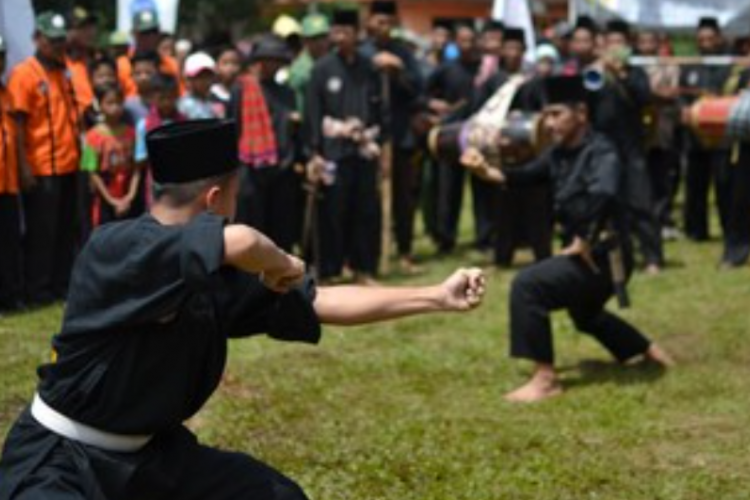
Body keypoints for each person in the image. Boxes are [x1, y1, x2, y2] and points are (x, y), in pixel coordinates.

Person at [0, 118, 487, 500]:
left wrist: (434, 296)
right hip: (60, 463)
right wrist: (285, 261)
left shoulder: (212, 273)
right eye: (236, 190)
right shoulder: (118, 249)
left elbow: (320, 301)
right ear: (216, 198)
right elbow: (244, 240)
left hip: (151, 461)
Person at [464, 76, 672, 402]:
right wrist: (486, 171)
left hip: (605, 254)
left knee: (528, 286)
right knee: (585, 314)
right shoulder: (559, 153)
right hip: (586, 250)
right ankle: (647, 350)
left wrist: (584, 237)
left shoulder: (602, 150)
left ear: (581, 114)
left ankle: (545, 380)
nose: (549, 122)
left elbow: (603, 193)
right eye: (546, 114)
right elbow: (527, 175)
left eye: (557, 113)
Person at [8, 11, 83, 306]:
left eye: (61, 40)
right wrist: (23, 168)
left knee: (65, 229)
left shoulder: (63, 72)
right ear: (37, 39)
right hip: (40, 167)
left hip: (68, 164)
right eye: (51, 40)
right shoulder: (24, 74)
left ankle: (59, 285)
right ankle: (37, 289)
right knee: (41, 234)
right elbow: (17, 125)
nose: (57, 45)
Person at [306, 8, 383, 283]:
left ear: (356, 34)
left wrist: (372, 137)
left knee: (365, 209)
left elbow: (378, 109)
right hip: (332, 153)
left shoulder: (369, 67)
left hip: (363, 150)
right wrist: (314, 151)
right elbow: (313, 114)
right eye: (335, 32)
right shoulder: (322, 69)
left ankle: (364, 268)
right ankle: (329, 270)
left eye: (345, 32)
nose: (339, 37)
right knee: (332, 212)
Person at [588, 20, 664, 274]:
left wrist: (622, 75)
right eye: (610, 43)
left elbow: (644, 99)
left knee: (641, 201)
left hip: (632, 146)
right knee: (606, 202)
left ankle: (652, 257)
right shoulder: (594, 73)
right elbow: (585, 102)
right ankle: (610, 256)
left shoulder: (636, 72)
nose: (615, 48)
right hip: (603, 146)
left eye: (620, 43)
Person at [360, 0, 424, 273]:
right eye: (379, 21)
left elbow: (418, 91)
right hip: (369, 137)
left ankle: (405, 250)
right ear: (370, 22)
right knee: (369, 198)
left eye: (389, 21)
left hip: (401, 136)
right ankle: (370, 254)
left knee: (404, 197)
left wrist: (397, 71)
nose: (383, 27)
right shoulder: (361, 53)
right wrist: (374, 67)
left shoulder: (404, 54)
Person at [233, 35, 301, 252]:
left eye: (276, 59)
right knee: (252, 228)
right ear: (258, 60)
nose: (271, 64)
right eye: (267, 59)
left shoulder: (287, 93)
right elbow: (233, 129)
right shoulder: (242, 90)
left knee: (281, 230)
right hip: (250, 170)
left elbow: (291, 132)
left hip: (282, 169)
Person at [425, 23, 483, 254]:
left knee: (481, 189)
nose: (468, 45)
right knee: (448, 190)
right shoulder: (445, 69)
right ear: (456, 43)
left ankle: (484, 239)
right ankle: (445, 239)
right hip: (450, 138)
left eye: (471, 40)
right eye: (463, 40)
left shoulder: (483, 70)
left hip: (479, 137)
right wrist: (434, 106)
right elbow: (424, 94)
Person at [679, 17, 731, 242]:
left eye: (710, 38)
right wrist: (683, 110)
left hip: (723, 137)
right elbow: (681, 95)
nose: (706, 43)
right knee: (695, 185)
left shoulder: (730, 65)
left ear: (718, 38)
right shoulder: (690, 66)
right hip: (695, 137)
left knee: (725, 186)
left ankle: (730, 228)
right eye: (701, 39)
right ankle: (695, 230)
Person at [81, 84, 140, 228]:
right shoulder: (92, 136)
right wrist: (112, 200)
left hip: (128, 194)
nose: (115, 107)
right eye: (110, 103)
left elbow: (137, 167)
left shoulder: (131, 133)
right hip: (104, 198)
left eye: (119, 102)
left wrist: (130, 196)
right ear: (99, 105)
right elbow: (91, 171)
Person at [0, 36, 23, 313]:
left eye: (2, 56)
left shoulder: (7, 92)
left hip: (9, 182)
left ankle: (10, 297)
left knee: (9, 243)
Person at [117, 9, 183, 98]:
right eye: (144, 32)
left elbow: (179, 94)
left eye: (153, 31)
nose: (150, 37)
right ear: (133, 34)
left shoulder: (171, 64)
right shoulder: (121, 65)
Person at [288, 13, 331, 114]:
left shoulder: (333, 60)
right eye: (314, 38)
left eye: (323, 37)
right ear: (304, 41)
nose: (320, 43)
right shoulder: (299, 70)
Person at [179, 51, 222, 120]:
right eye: (200, 77)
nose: (206, 81)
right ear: (189, 79)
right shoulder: (184, 106)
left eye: (208, 76)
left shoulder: (216, 100)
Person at [210, 45, 242, 118]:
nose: (230, 67)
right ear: (216, 67)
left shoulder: (244, 93)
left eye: (235, 63)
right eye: (225, 63)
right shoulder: (211, 94)